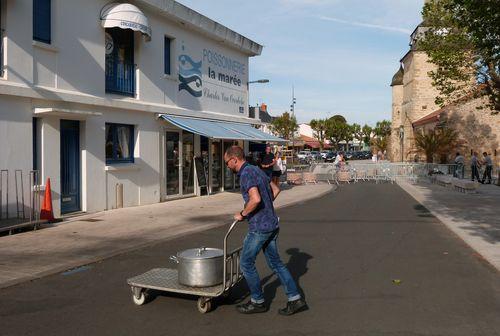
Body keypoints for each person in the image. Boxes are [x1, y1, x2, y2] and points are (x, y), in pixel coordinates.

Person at [224, 145, 307, 315]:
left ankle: (257, 301)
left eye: (227, 163)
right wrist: (266, 207)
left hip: (260, 227)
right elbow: (275, 190)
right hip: (272, 223)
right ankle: (295, 299)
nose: (227, 166)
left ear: (234, 159)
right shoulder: (257, 169)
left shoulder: (246, 174)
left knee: (246, 263)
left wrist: (243, 213)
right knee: (276, 263)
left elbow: (255, 199)